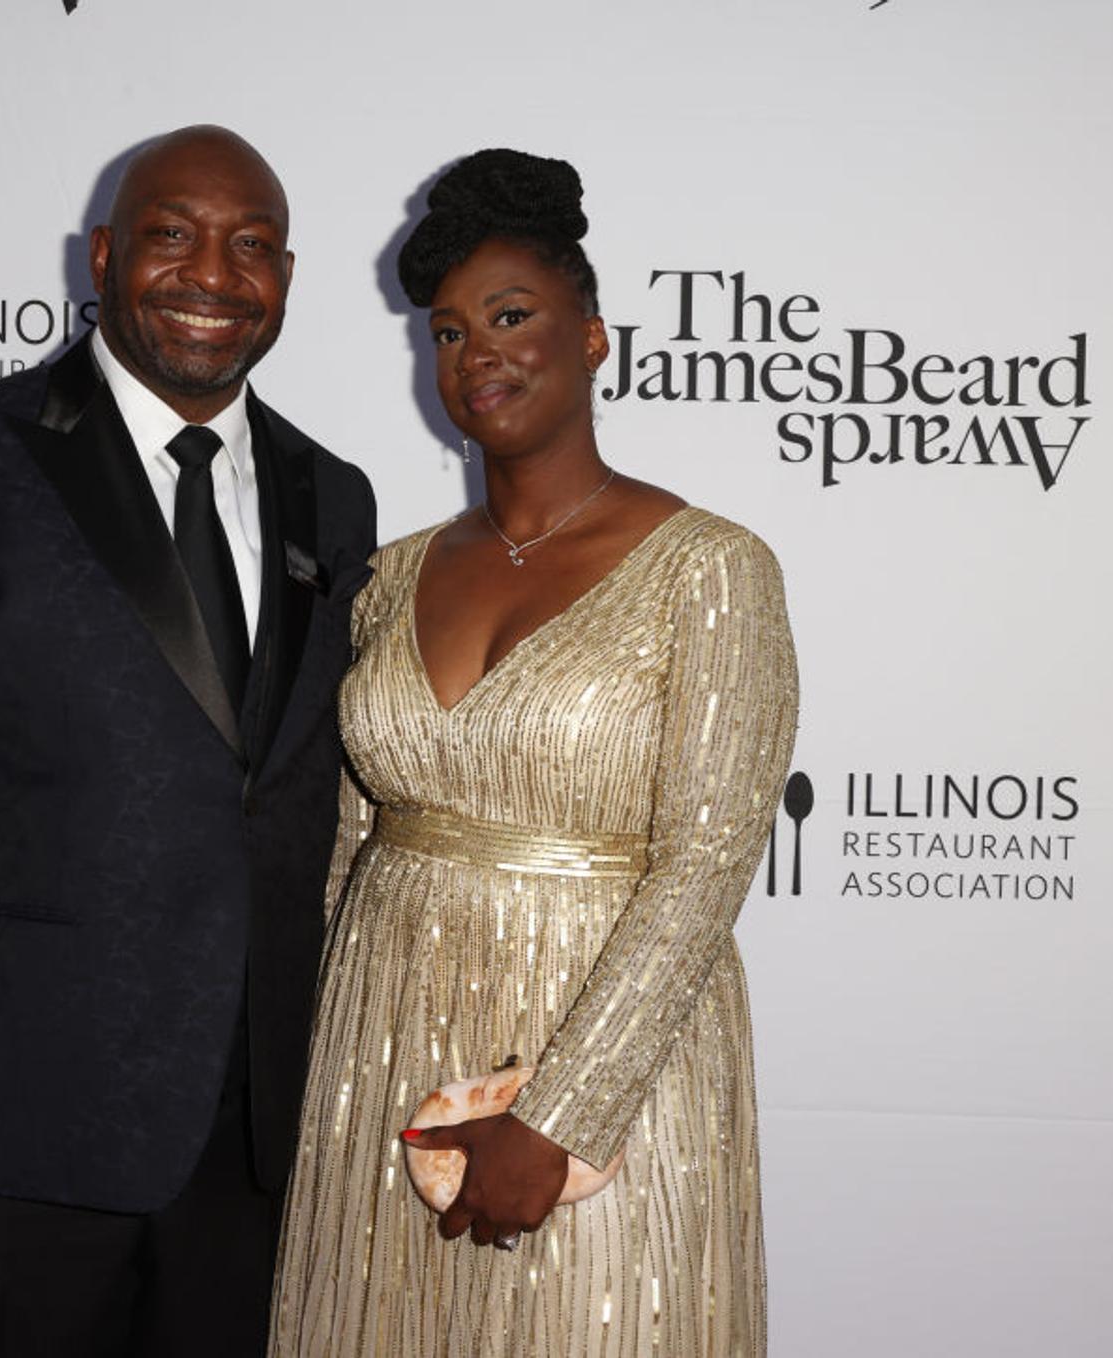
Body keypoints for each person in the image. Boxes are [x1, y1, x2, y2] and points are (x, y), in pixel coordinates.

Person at [0, 125, 376, 1356]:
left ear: (288, 278)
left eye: (252, 245)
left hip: (253, 1155)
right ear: (102, 255)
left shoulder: (337, 494)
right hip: (3, 1152)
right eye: (173, 234)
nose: (213, 272)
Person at [270, 149, 797, 1358]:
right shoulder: (391, 573)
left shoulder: (711, 568)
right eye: (448, 333)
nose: (478, 354)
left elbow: (707, 861)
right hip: (381, 1051)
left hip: (603, 1073)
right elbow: (350, 843)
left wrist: (561, 1113)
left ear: (595, 337)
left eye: (512, 316)